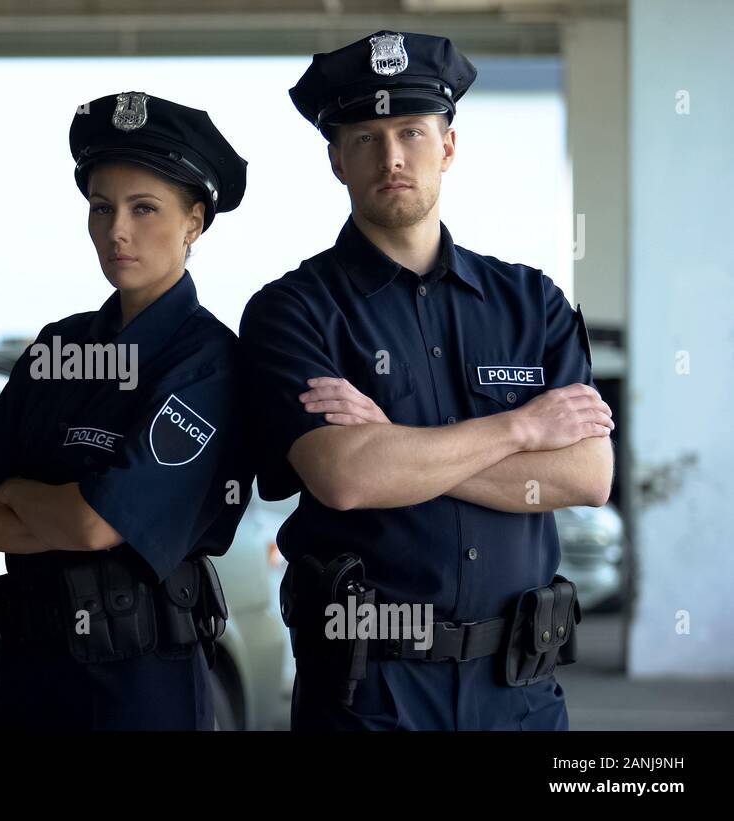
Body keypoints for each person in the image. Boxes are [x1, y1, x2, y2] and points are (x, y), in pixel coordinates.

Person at [239, 31, 615, 730]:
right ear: (335, 160)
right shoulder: (292, 310)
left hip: (520, 695)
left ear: (447, 146)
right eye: (366, 138)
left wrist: (394, 445)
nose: (391, 157)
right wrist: (520, 430)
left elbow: (588, 475)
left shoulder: (532, 304)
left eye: (412, 131)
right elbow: (346, 478)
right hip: (370, 696)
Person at [0, 91, 252, 730]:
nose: (117, 231)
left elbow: (92, 527)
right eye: (102, 208)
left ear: (194, 221)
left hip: (138, 688)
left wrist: (18, 490)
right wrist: (65, 512)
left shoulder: (209, 363)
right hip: (22, 679)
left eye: (144, 209)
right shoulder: (60, 346)